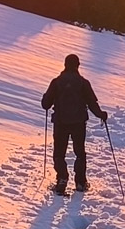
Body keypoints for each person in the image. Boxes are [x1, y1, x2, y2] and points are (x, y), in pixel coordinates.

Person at [41, 53, 107, 193]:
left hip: (60, 122)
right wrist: (101, 115)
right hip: (78, 122)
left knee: (59, 153)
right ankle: (81, 183)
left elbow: (46, 104)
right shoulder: (83, 83)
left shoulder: (56, 82)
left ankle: (62, 179)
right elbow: (92, 103)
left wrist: (45, 98)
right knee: (79, 153)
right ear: (78, 65)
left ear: (65, 64)